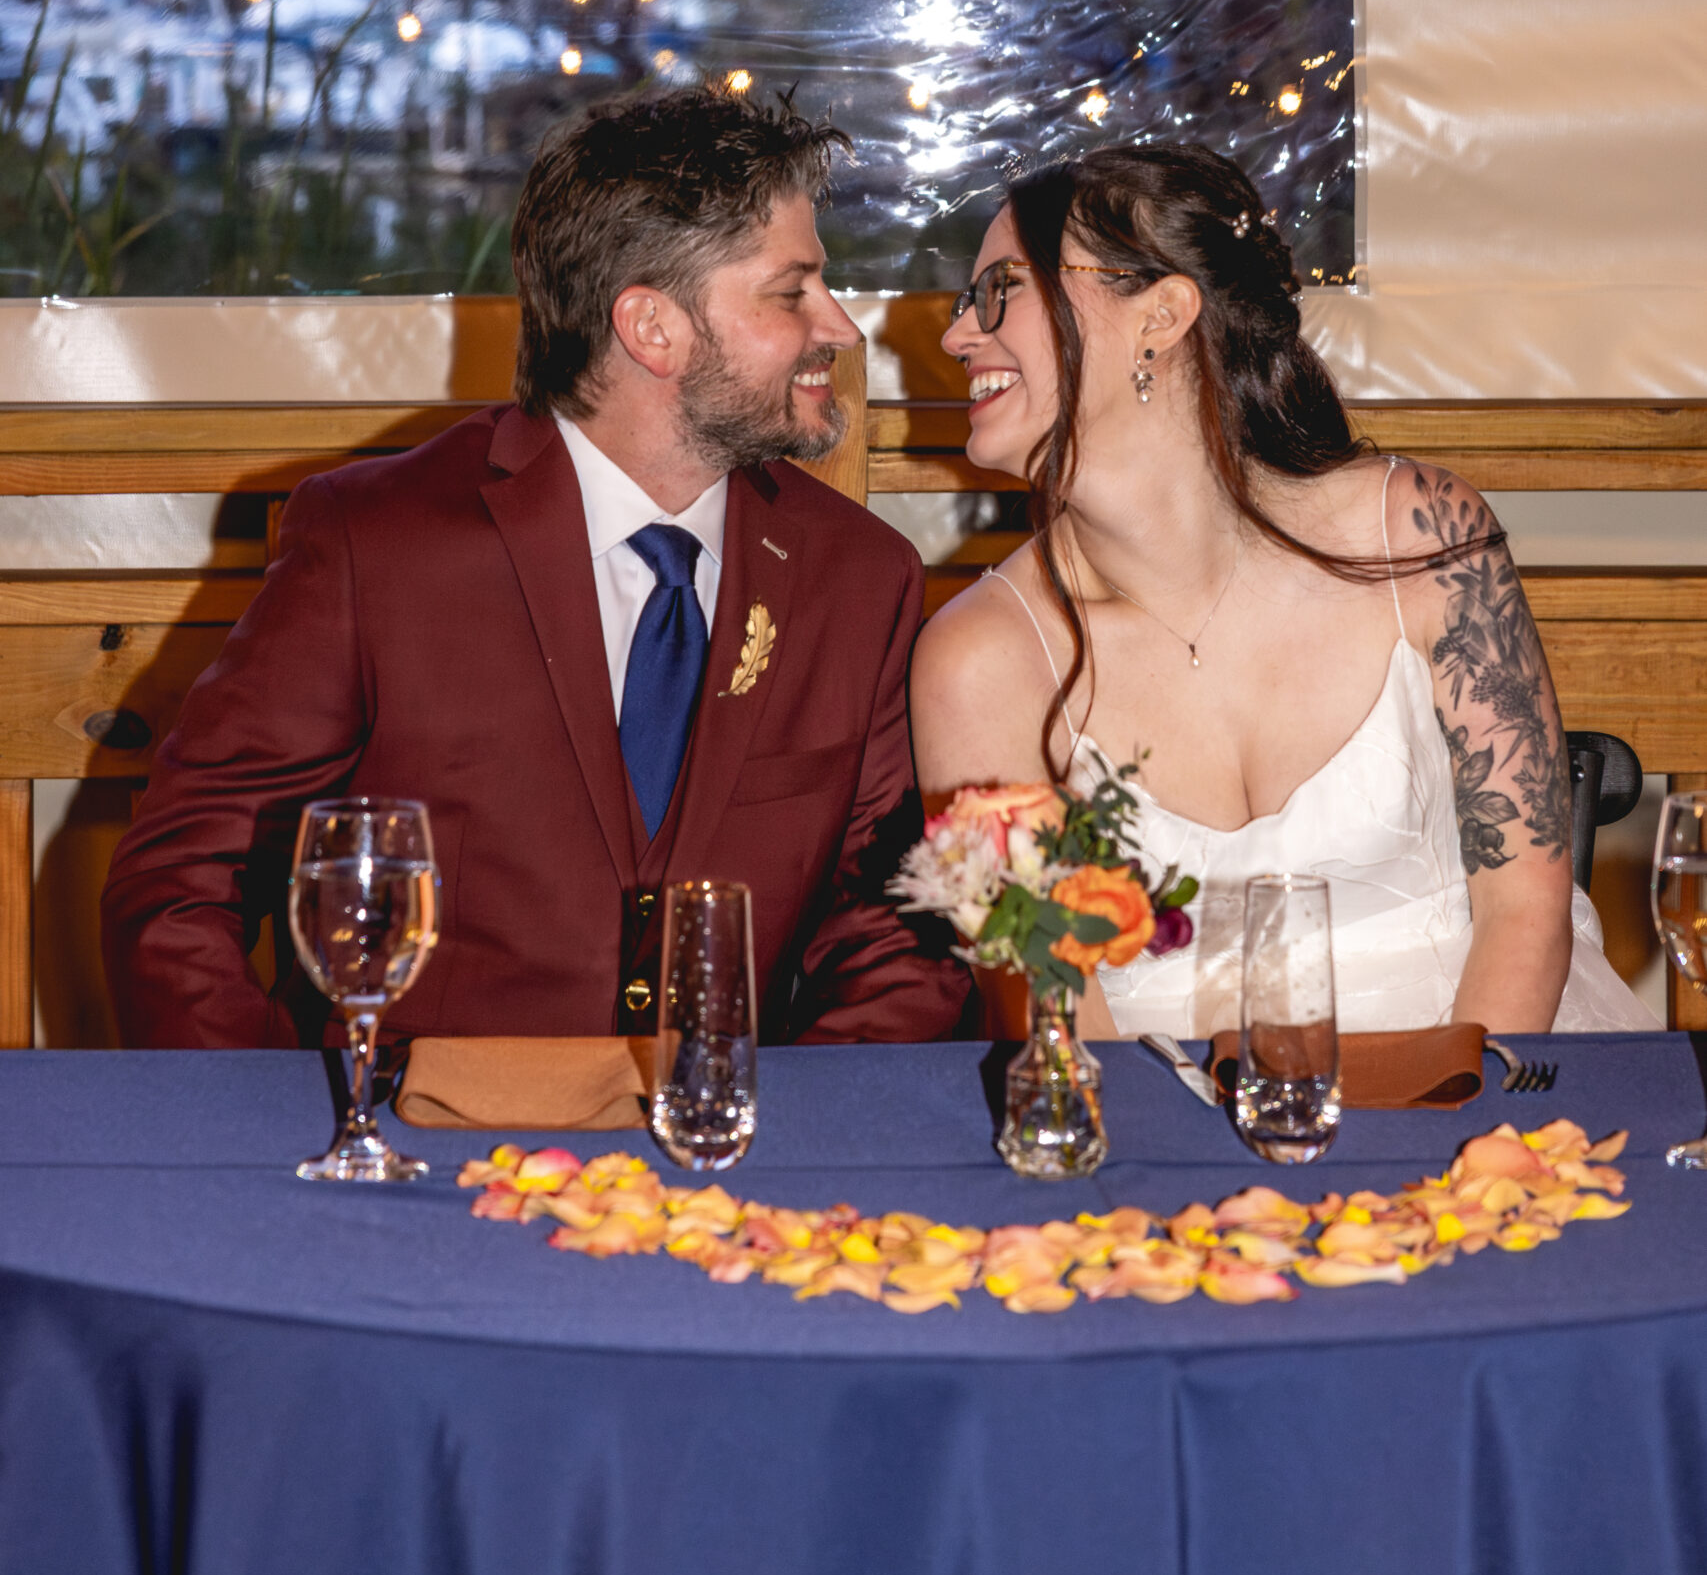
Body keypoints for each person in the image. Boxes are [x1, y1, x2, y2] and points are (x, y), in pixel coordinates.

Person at [102, 89, 968, 1049]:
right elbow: (183, 888)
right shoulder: (375, 544)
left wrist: (797, 1152)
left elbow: (895, 936)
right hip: (415, 1164)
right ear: (652, 328)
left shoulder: (859, 578)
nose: (838, 328)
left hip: (724, 1174)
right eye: (790, 291)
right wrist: (280, 1138)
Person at [909, 143, 1651, 1037]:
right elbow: (1055, 1024)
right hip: (1155, 1142)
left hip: (1481, 1082)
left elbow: (1522, 911)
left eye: (999, 291)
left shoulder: (1420, 536)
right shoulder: (977, 662)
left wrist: (1448, 1151)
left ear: (1162, 313)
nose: (956, 336)